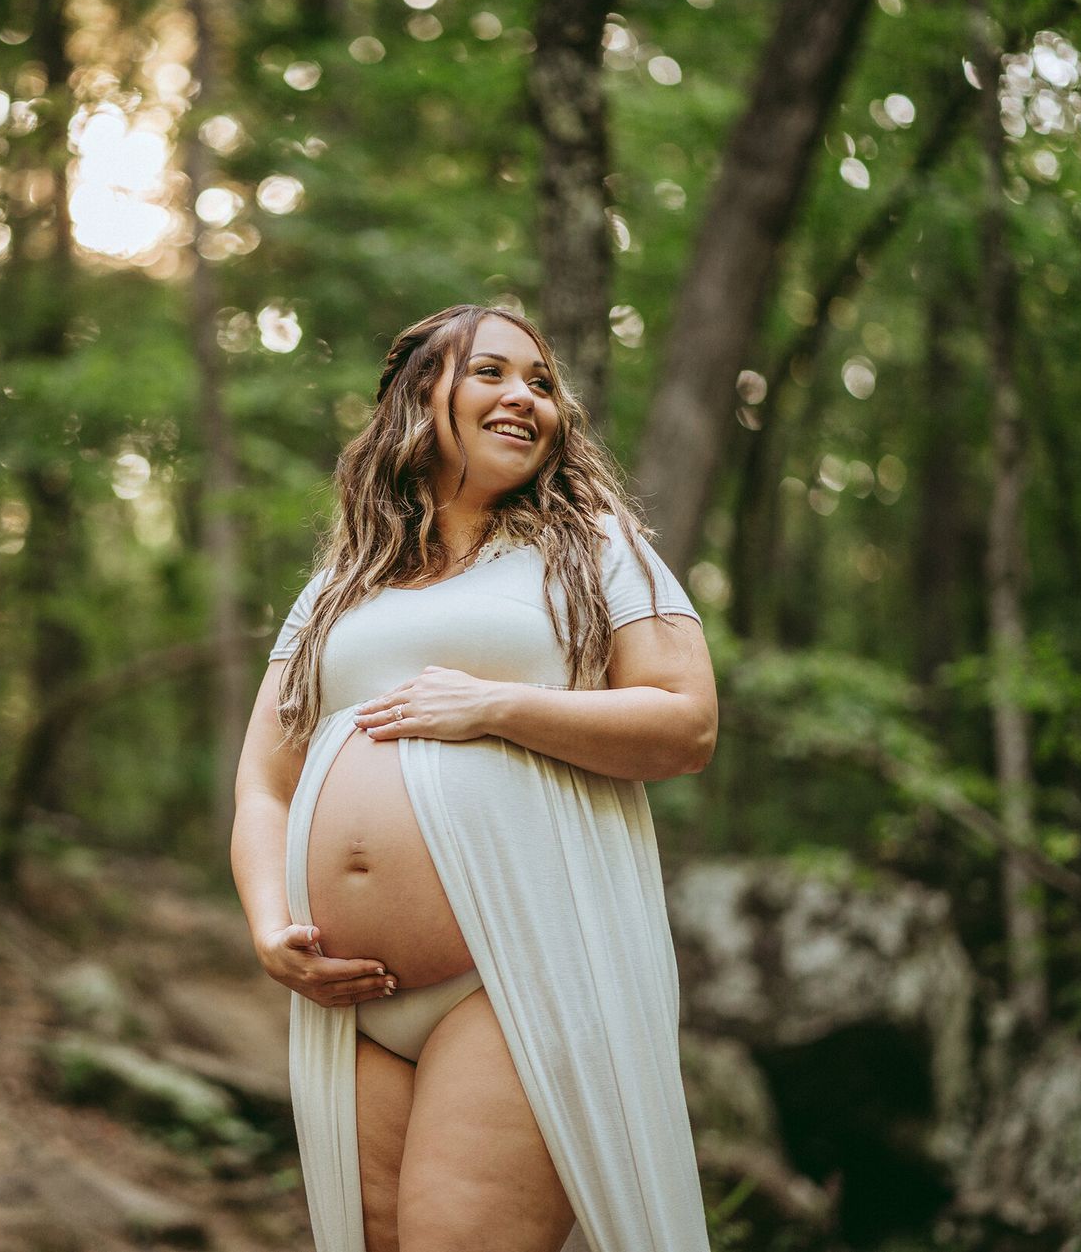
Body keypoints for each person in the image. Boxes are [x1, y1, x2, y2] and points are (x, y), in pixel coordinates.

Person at [230, 303, 719, 1252]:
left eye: (541, 383)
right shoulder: (343, 584)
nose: (525, 398)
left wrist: (494, 706)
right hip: (352, 1001)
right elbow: (264, 783)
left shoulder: (595, 548)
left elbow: (685, 723)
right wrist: (265, 926)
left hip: (519, 972)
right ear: (422, 398)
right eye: (492, 372)